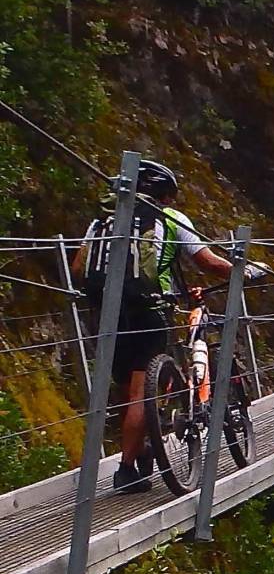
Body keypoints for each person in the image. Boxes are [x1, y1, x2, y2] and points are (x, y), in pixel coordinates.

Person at [73, 160, 261, 493]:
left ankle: (141, 451)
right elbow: (206, 260)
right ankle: (127, 472)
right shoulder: (170, 219)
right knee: (141, 391)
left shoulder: (104, 219)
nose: (172, 202)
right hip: (149, 310)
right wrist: (243, 270)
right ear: (163, 195)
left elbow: (78, 267)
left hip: (107, 312)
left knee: (126, 389)